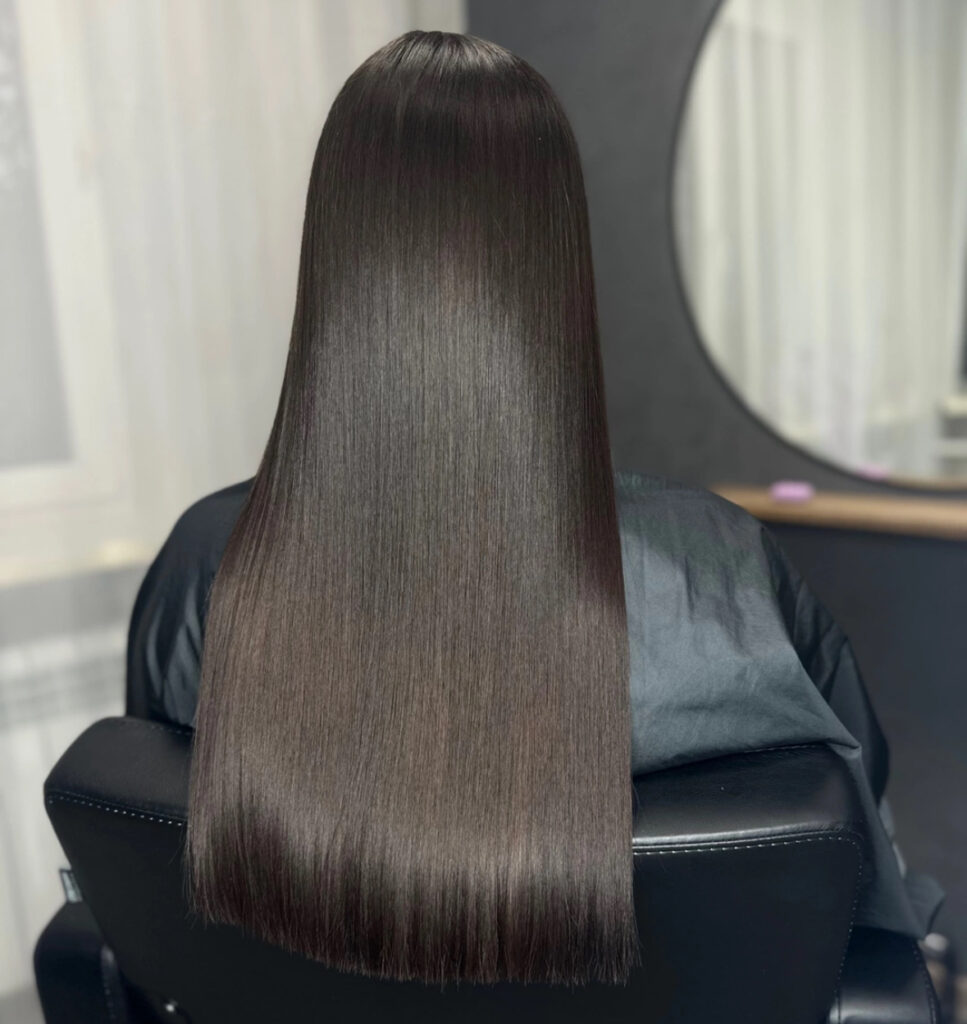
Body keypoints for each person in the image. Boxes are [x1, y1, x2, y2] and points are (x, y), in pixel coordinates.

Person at [125, 30, 942, 985]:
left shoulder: (209, 562)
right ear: (556, 257)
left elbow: (151, 857)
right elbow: (855, 858)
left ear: (333, 255)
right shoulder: (711, 572)